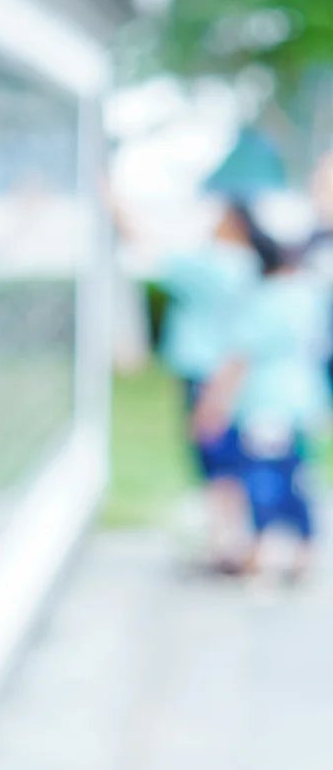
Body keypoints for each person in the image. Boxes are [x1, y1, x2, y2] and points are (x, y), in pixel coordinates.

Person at [193, 209, 330, 579]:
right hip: (301, 398)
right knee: (294, 474)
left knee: (263, 478)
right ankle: (303, 550)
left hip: (266, 404)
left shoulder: (264, 300)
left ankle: (261, 551)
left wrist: (212, 404)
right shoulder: (309, 294)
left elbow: (238, 358)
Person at [151, 198, 259, 568]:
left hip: (209, 376)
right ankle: (231, 543)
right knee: (229, 463)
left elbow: (151, 248)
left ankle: (226, 546)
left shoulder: (215, 264)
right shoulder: (248, 265)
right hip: (231, 375)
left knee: (217, 465)